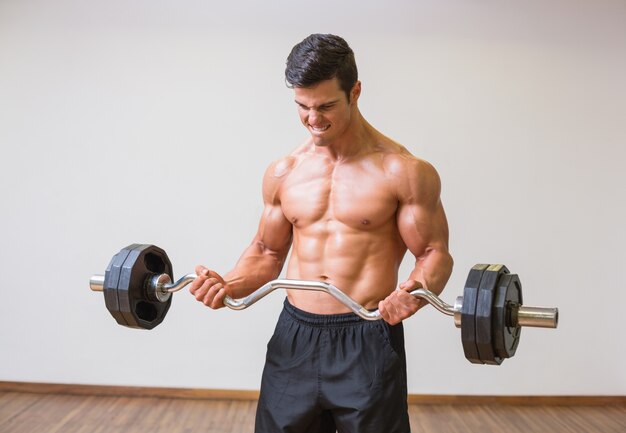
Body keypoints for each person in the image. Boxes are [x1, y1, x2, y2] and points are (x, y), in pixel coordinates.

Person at [189, 34, 453, 433]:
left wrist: (413, 292)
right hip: (294, 336)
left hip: (366, 336)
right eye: (302, 106)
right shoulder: (285, 172)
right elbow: (266, 252)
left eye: (326, 106)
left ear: (355, 92)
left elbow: (434, 252)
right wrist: (228, 284)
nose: (314, 119)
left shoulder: (402, 171)